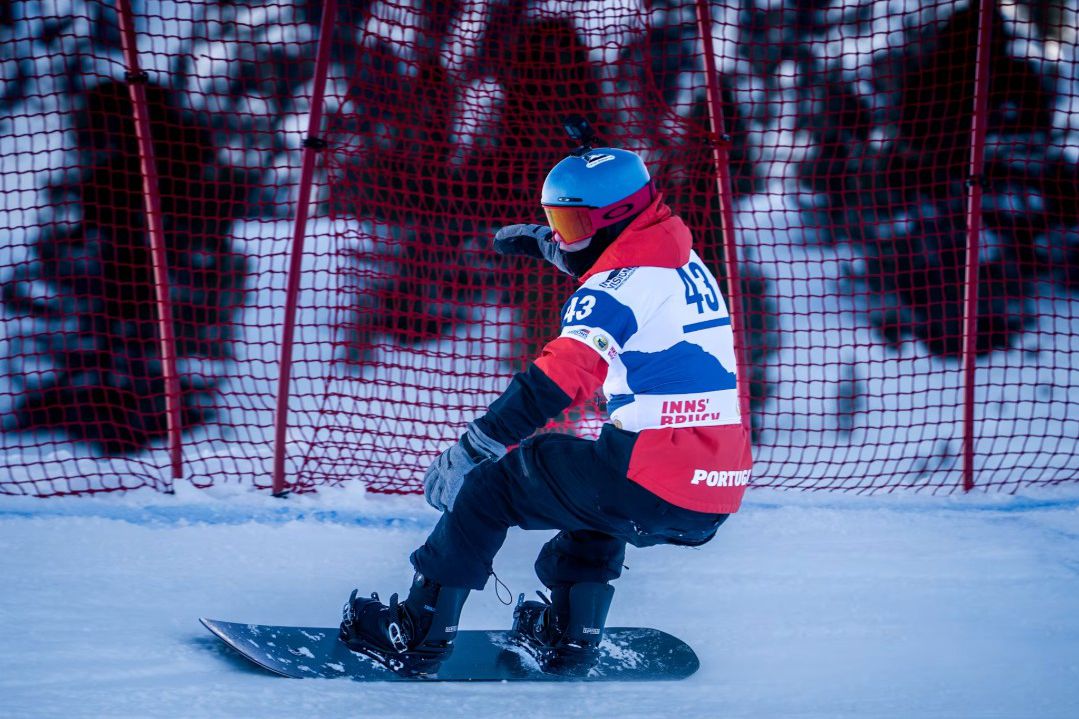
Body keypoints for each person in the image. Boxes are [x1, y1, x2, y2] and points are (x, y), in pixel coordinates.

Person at [340, 142, 753, 674]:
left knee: (494, 484)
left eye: (572, 224)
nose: (561, 236)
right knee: (592, 478)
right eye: (555, 221)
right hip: (715, 485)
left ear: (612, 219)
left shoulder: (611, 291)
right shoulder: (684, 261)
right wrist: (557, 249)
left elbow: (562, 375)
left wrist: (477, 445)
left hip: (656, 471)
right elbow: (628, 273)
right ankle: (572, 634)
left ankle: (417, 632)